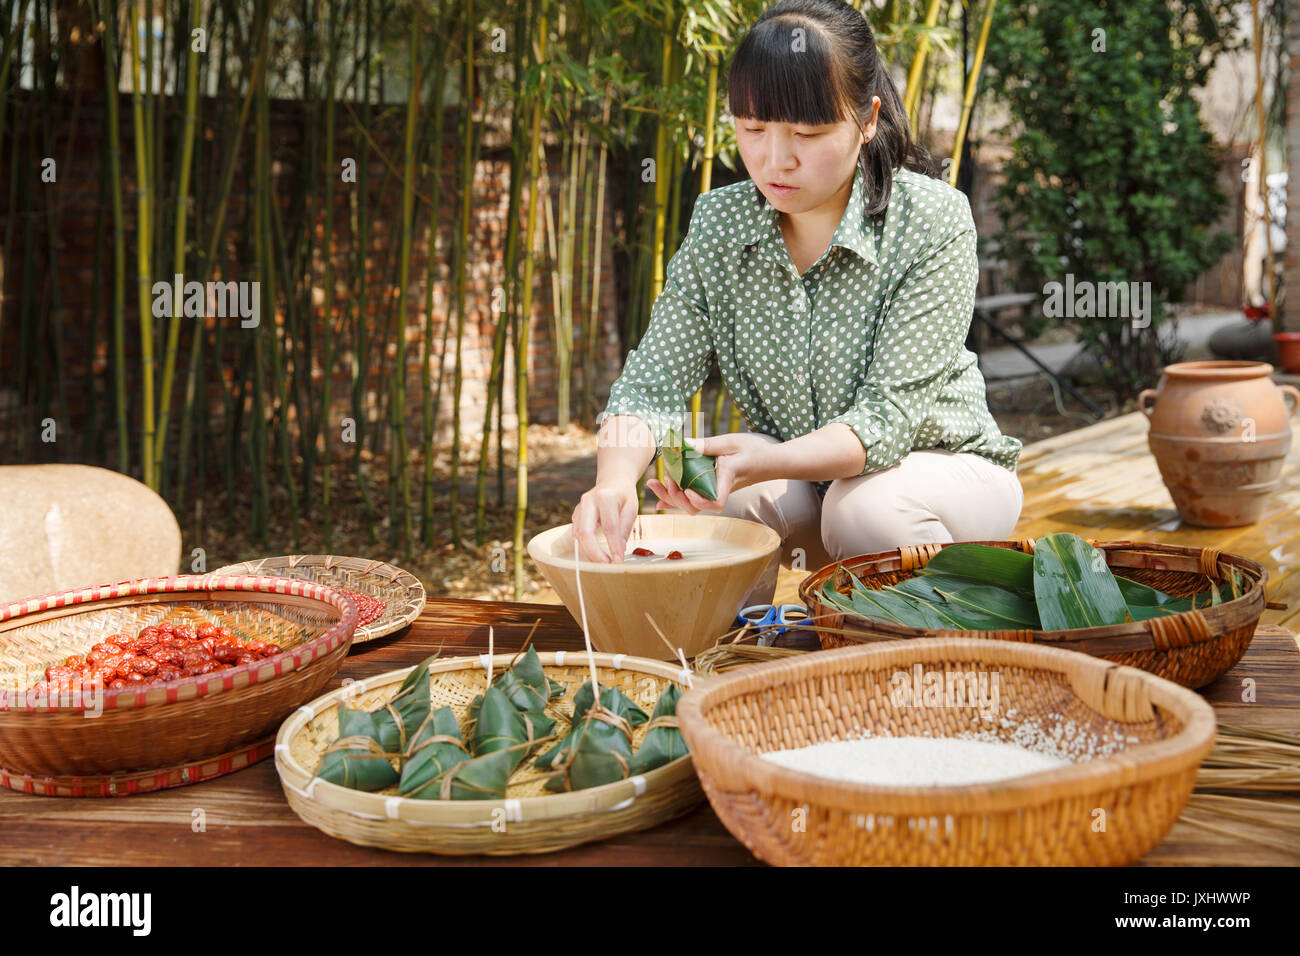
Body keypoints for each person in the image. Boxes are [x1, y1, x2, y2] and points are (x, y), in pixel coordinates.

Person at [572, 0, 1024, 605]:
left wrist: (771, 456)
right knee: (726, 509)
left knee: (863, 508)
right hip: (810, 485)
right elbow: (650, 386)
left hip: (941, 471)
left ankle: (930, 641)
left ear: (867, 120)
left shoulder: (931, 220)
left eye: (807, 134)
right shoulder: (720, 225)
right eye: (753, 129)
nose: (774, 160)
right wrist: (614, 479)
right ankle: (746, 658)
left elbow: (885, 422)